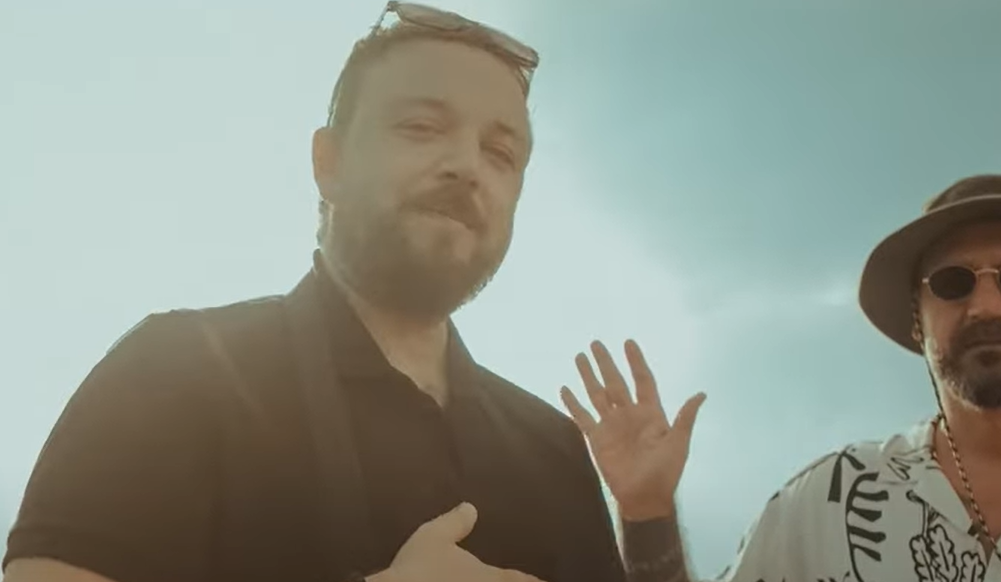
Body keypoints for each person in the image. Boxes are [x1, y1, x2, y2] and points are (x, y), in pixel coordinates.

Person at [3, 4, 624, 582]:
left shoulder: (555, 448)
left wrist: (647, 523)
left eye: (501, 152)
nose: (467, 165)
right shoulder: (173, 366)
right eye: (422, 127)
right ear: (328, 163)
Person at [562, 174, 1001, 581]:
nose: (985, 306)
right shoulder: (823, 504)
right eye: (951, 283)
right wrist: (646, 513)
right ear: (918, 321)